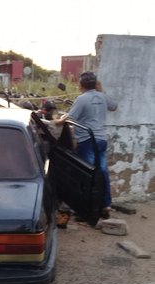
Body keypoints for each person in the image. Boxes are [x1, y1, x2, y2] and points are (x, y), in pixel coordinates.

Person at [55, 71, 118, 219]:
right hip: (101, 140)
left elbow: (70, 118)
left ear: (81, 84)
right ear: (95, 84)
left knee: (86, 175)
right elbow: (114, 106)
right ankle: (106, 204)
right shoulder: (103, 97)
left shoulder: (82, 99)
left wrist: (56, 121)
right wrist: (101, 91)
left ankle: (87, 209)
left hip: (87, 141)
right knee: (102, 171)